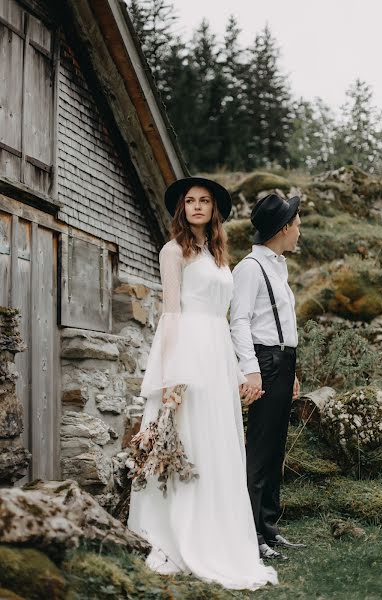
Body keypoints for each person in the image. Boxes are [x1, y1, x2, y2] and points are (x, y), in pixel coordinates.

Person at [128, 177, 278, 590]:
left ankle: (221, 534)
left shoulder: (217, 255)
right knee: (188, 442)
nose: (196, 206)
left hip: (216, 354)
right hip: (188, 354)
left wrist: (236, 370)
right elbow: (172, 313)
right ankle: (175, 535)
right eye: (190, 201)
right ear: (182, 209)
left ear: (214, 210)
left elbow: (225, 318)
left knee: (218, 446)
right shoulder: (173, 251)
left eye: (204, 201)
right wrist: (170, 374)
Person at [230, 193, 305, 561]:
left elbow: (283, 323)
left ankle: (269, 530)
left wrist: (292, 369)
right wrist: (252, 370)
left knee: (275, 448)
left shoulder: (277, 266)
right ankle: (252, 534)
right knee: (259, 450)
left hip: (282, 361)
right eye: (297, 224)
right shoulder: (249, 268)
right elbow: (239, 320)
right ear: (283, 228)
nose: (299, 230)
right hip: (264, 362)